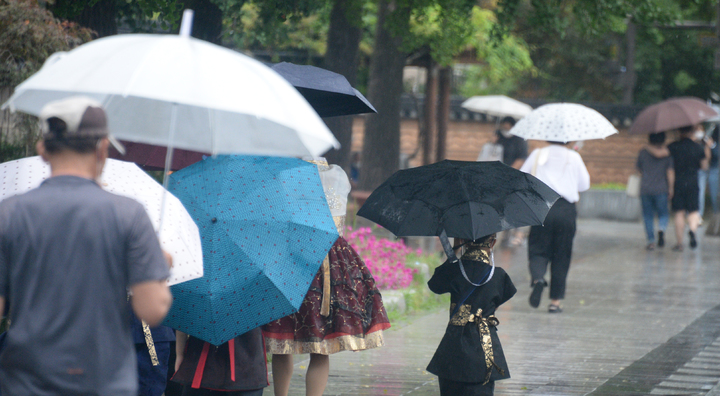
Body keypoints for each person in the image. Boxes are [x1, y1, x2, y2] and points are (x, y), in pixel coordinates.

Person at [0, 96, 172, 395]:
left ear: (43, 150)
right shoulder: (129, 214)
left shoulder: (9, 213)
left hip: (25, 381)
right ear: (103, 148)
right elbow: (153, 309)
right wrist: (155, 268)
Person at [262, 158, 390, 396]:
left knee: (283, 342)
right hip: (330, 261)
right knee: (321, 346)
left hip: (292, 258)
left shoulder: (285, 175)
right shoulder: (337, 175)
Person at [426, 234, 517, 396]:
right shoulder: (499, 276)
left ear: (462, 241)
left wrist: (453, 254)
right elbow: (504, 294)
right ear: (493, 242)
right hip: (483, 349)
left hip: (453, 349)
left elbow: (435, 285)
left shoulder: (454, 270)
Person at [520, 141, 590, 313]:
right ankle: (555, 302)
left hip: (542, 206)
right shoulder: (574, 156)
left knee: (537, 248)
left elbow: (522, 176)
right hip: (565, 209)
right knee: (562, 254)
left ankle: (538, 279)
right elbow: (584, 184)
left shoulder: (537, 154)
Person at [171, 329, 268, 396]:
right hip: (204, 363)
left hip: (246, 364)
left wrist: (180, 353)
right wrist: (180, 354)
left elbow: (183, 317)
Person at [668, 125, 711, 251]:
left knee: (679, 212)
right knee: (693, 211)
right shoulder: (697, 148)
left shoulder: (672, 147)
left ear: (678, 131)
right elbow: (704, 166)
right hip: (692, 182)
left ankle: (680, 243)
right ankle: (692, 231)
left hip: (678, 183)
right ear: (692, 131)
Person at [636, 132, 675, 250]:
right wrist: (671, 188)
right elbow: (670, 172)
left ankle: (651, 241)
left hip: (646, 188)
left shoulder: (643, 152)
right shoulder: (668, 154)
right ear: (663, 139)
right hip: (661, 188)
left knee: (648, 216)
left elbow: (639, 169)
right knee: (663, 213)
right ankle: (661, 229)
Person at [697, 125, 719, 217]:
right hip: (713, 171)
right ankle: (716, 216)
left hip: (713, 170)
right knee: (715, 196)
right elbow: (709, 157)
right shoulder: (711, 142)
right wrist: (710, 146)